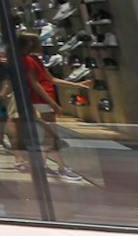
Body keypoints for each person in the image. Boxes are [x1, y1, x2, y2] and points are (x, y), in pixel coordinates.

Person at [6, 33, 83, 181]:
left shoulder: (33, 59)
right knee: (51, 136)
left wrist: (78, 85)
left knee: (50, 136)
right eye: (38, 42)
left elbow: (50, 79)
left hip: (44, 100)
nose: (41, 44)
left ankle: (45, 166)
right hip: (41, 101)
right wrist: (53, 104)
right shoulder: (27, 60)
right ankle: (61, 168)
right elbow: (35, 84)